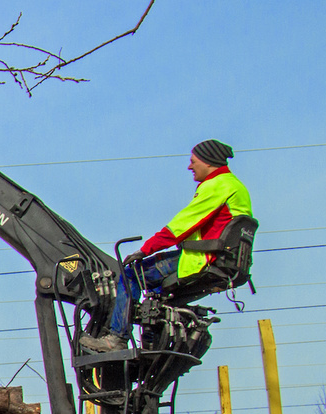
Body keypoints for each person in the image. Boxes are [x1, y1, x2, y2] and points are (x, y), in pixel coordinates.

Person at [80, 139, 253, 353]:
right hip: (224, 260)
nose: (190, 167)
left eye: (193, 161)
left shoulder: (216, 185)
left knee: (130, 275)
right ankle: (151, 344)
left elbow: (182, 225)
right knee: (155, 297)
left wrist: (145, 249)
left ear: (209, 162)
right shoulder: (236, 186)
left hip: (203, 258)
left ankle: (116, 338)